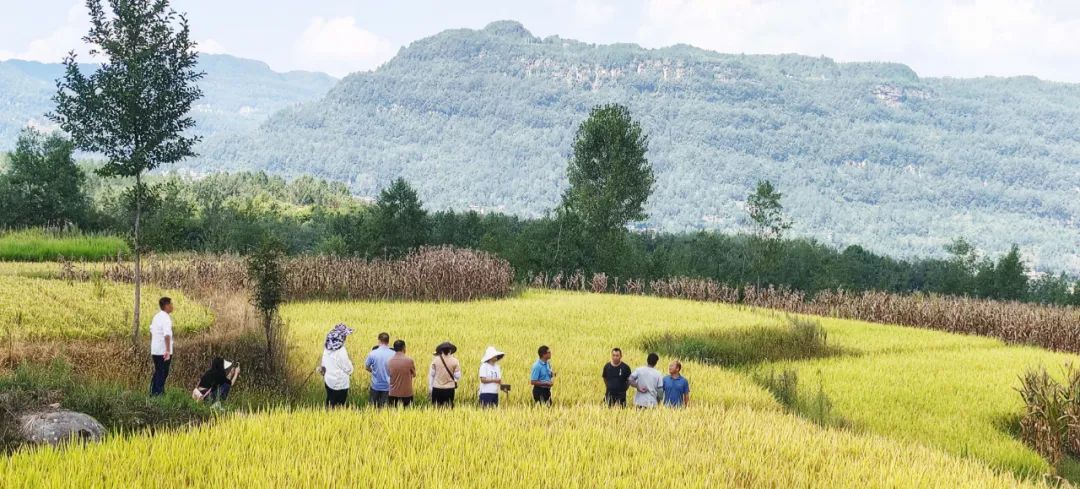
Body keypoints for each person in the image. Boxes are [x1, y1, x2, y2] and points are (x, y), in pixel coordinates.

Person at [320, 323, 354, 408]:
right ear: (341, 337)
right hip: (340, 384)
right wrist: (351, 368)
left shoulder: (327, 348)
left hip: (328, 381)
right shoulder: (341, 351)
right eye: (345, 336)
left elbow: (323, 365)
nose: (346, 337)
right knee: (339, 406)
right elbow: (348, 369)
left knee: (330, 402)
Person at [149, 297, 174, 396]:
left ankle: (153, 392)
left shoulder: (156, 317)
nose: (172, 306)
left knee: (158, 371)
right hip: (163, 351)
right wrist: (167, 350)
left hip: (155, 350)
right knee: (163, 373)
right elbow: (167, 334)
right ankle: (158, 394)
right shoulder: (166, 318)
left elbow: (151, 330)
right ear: (166, 306)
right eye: (171, 304)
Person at [364, 332, 395, 408]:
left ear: (379, 340)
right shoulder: (393, 353)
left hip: (375, 385)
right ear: (388, 341)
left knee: (372, 408)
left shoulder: (373, 353)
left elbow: (367, 367)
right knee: (385, 408)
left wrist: (374, 371)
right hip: (388, 386)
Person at [428, 341, 461, 408]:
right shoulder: (455, 361)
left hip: (437, 388)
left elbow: (432, 374)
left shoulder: (435, 360)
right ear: (450, 351)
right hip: (449, 389)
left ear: (441, 351)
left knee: (436, 409)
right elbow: (458, 376)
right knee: (448, 408)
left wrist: (430, 387)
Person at [387, 339, 416, 407]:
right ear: (404, 348)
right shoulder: (409, 361)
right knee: (407, 413)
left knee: (392, 413)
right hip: (407, 393)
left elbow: (388, 374)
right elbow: (414, 374)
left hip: (393, 393)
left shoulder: (389, 361)